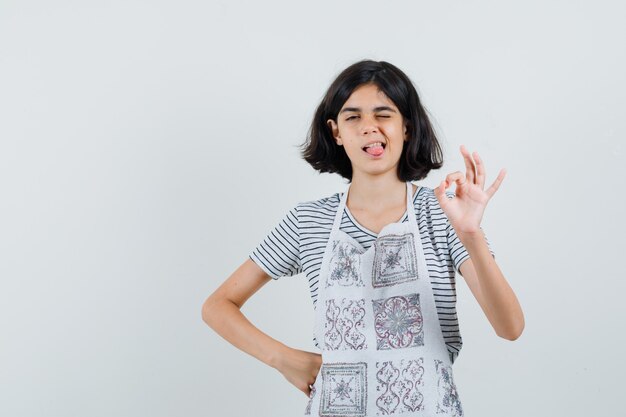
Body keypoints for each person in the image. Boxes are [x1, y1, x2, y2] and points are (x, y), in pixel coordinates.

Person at [202, 59, 524, 416]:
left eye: (383, 114)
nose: (369, 127)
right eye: (353, 117)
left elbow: (510, 327)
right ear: (336, 132)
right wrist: (284, 359)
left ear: (407, 127)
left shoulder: (443, 214)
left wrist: (470, 233)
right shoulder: (308, 221)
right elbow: (217, 306)